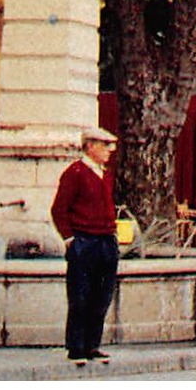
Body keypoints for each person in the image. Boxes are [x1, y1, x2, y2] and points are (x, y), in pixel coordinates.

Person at [49, 127, 119, 366]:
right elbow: (59, 209)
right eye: (104, 145)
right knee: (80, 295)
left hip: (106, 239)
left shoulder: (105, 174)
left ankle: (92, 344)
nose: (109, 151)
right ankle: (76, 347)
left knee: (102, 295)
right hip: (85, 240)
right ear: (90, 146)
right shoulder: (75, 173)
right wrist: (70, 239)